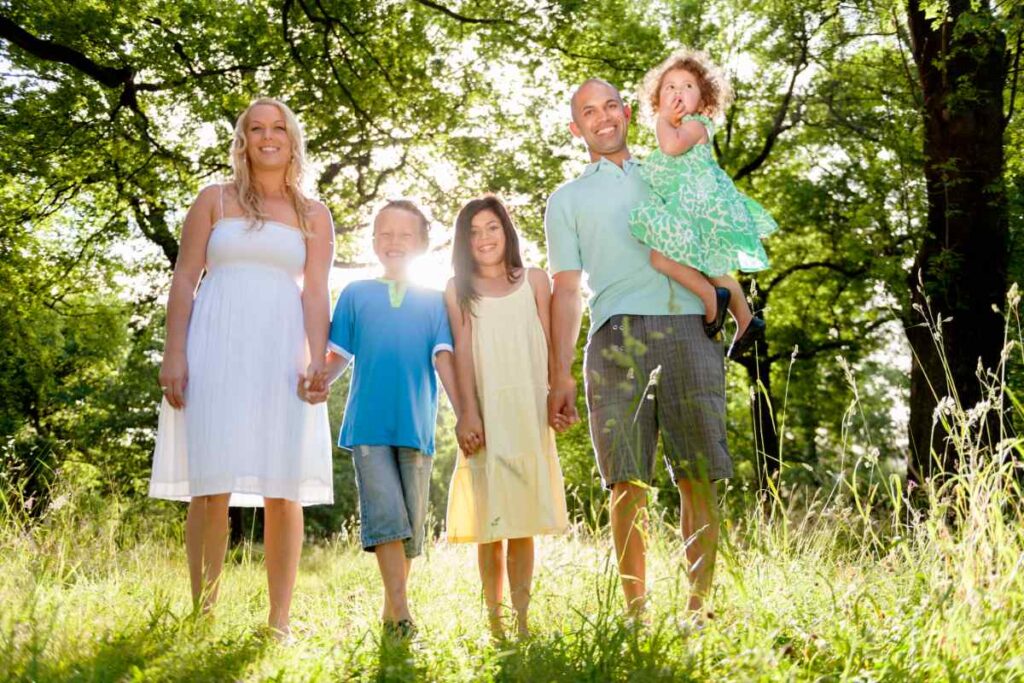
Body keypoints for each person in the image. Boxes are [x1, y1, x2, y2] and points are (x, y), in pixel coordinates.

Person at [545, 78, 733, 619]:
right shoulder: (568, 200)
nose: (602, 118)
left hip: (687, 329)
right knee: (627, 482)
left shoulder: (670, 170)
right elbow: (565, 291)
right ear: (575, 127)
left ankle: (697, 611)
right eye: (588, 112)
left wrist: (725, 298)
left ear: (627, 112)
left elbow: (714, 233)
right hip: (614, 336)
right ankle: (636, 615)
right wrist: (559, 373)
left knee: (698, 474)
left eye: (609, 106)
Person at [149, 98, 335, 638]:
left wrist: (317, 361)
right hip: (214, 346)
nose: (268, 136)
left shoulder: (313, 214)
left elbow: (317, 293)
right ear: (244, 140)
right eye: (257, 128)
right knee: (210, 485)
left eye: (279, 127)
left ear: (293, 140)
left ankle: (279, 622)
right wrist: (174, 352)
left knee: (284, 488)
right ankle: (201, 616)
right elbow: (185, 279)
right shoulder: (214, 201)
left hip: (282, 353)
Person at [306, 200, 459, 638]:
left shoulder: (434, 302)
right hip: (368, 424)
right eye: (385, 234)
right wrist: (322, 381)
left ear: (422, 244)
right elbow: (339, 355)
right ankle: (403, 611)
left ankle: (392, 610)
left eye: (405, 235)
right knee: (387, 516)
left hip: (416, 424)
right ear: (373, 242)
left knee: (409, 523)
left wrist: (463, 414)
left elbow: (444, 357)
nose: (394, 243)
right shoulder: (356, 294)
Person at [443, 196, 569, 639]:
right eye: (474, 232)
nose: (483, 238)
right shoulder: (458, 289)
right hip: (487, 414)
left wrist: (560, 393)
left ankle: (522, 619)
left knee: (522, 522)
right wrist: (468, 413)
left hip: (529, 411)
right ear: (464, 241)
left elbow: (554, 345)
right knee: (489, 522)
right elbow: (460, 354)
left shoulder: (535, 280)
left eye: (491, 228)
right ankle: (494, 624)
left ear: (506, 231)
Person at [629, 48, 777, 357]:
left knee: (660, 258)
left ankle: (711, 298)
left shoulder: (695, 125)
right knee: (711, 265)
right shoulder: (681, 126)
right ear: (657, 96)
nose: (678, 92)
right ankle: (746, 320)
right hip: (694, 205)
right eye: (670, 87)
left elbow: (670, 147)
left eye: (687, 87)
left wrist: (662, 120)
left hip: (696, 204)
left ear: (704, 100)